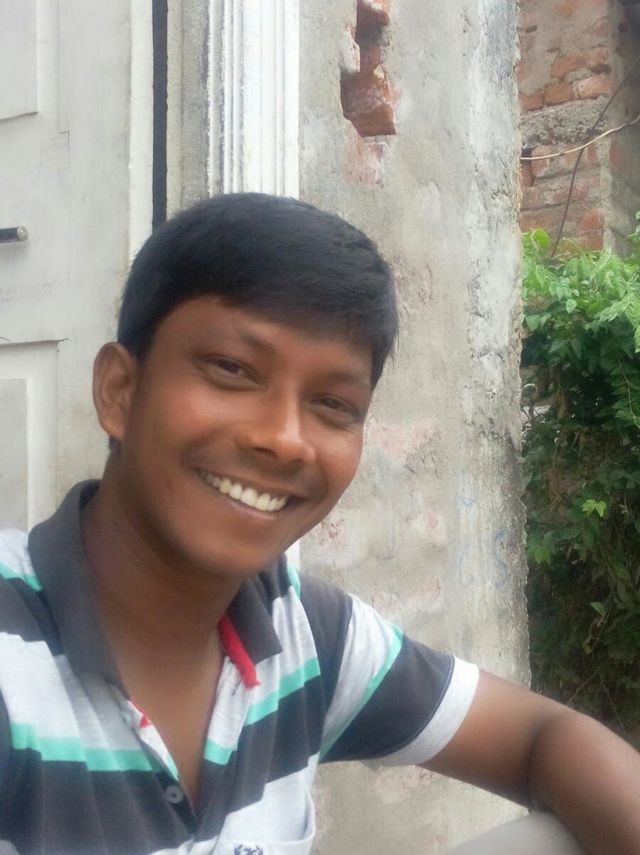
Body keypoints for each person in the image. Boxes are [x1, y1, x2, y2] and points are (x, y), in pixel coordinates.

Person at [0, 194, 638, 855]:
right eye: (232, 370)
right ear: (120, 391)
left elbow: (539, 738)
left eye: (333, 404)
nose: (284, 439)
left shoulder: (305, 634)